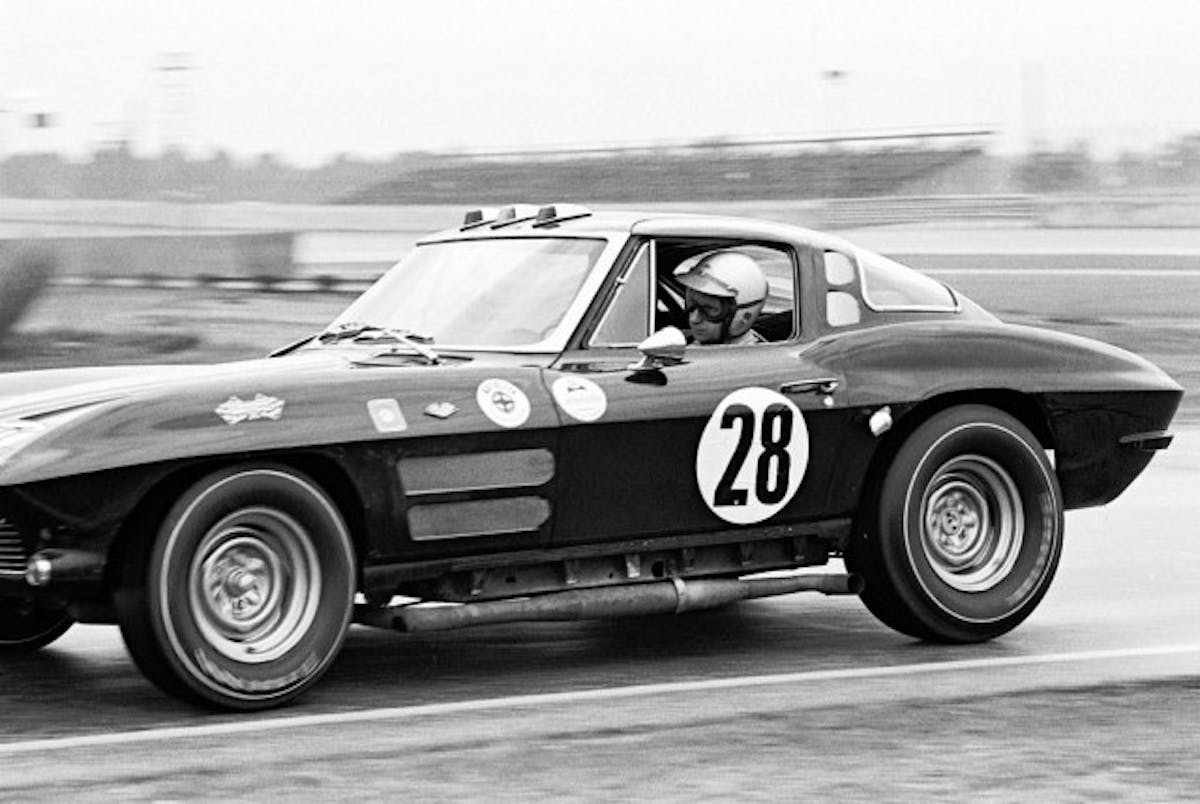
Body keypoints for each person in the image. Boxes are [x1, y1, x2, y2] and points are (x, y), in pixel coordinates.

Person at [675, 251, 768, 345]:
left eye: (709, 309)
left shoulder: (754, 357)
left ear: (744, 317)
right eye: (692, 305)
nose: (694, 319)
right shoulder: (688, 342)